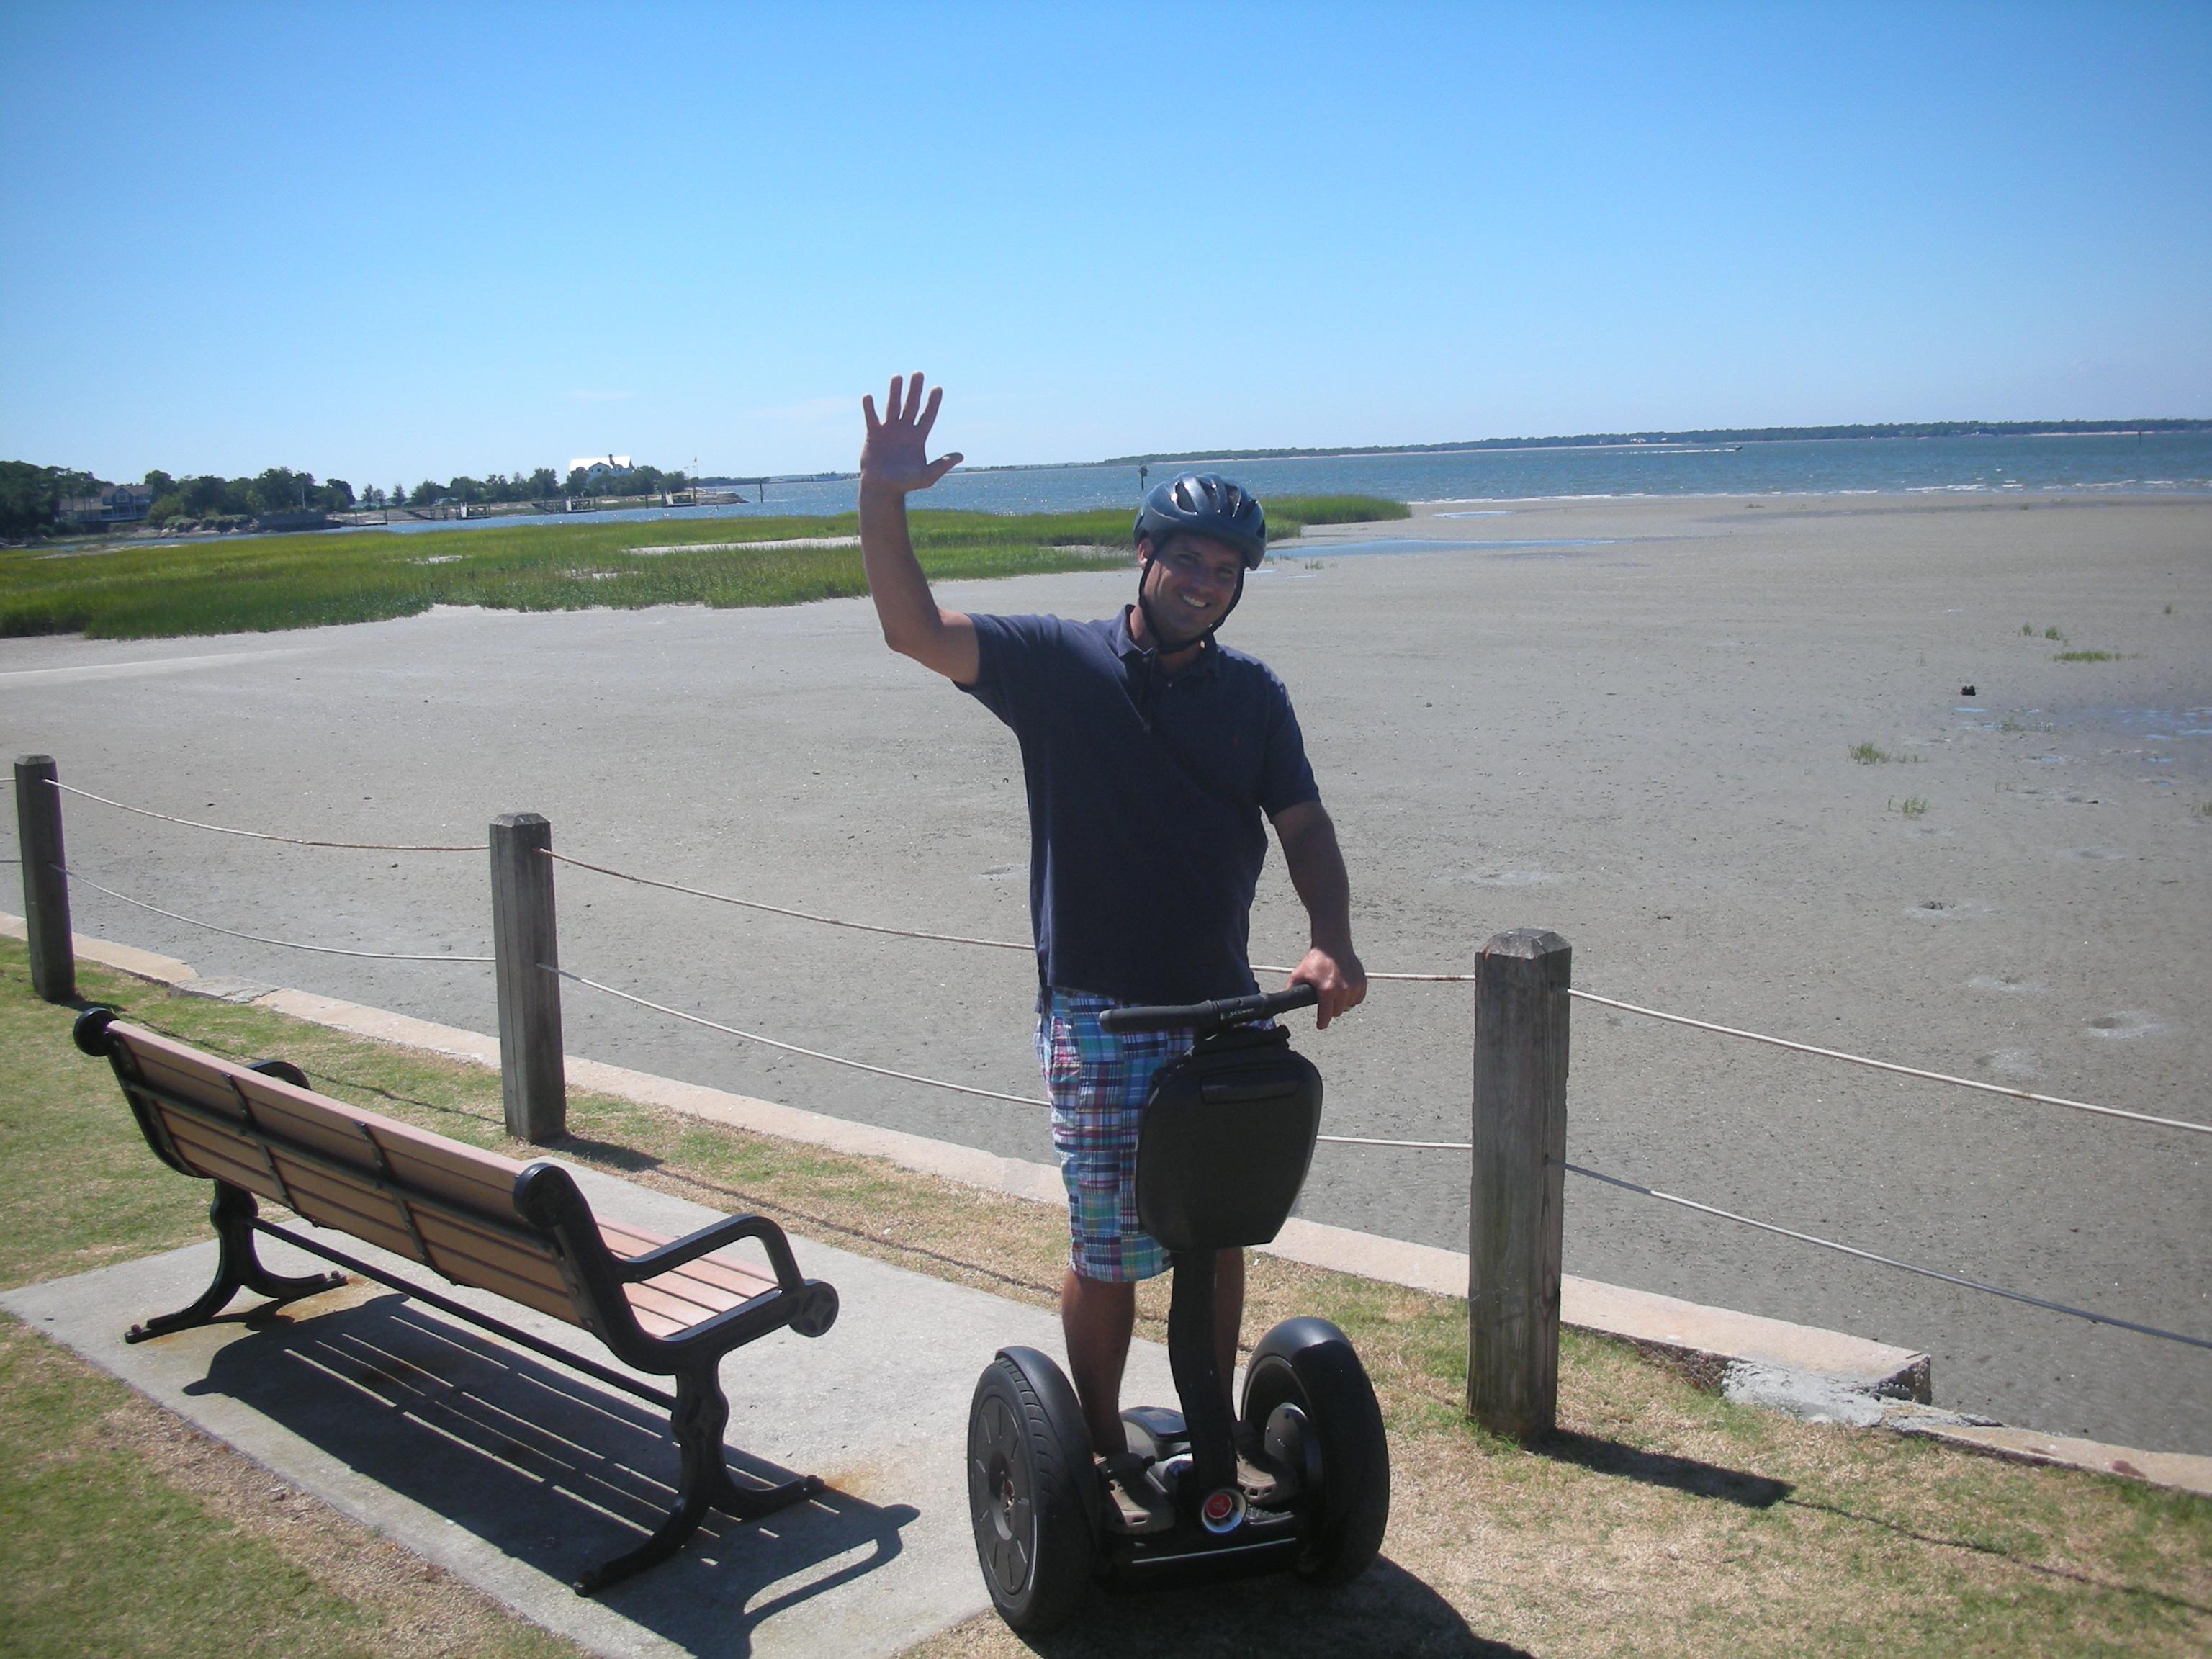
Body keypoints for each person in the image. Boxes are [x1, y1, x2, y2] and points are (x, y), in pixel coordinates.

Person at [855, 372, 1366, 1527]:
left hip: (1222, 1010)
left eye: (1226, 570)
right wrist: (882, 498)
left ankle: (1219, 1440)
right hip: (1100, 1013)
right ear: (1143, 553)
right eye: (1187, 558)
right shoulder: (1057, 663)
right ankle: (1089, 1450)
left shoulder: (1254, 697)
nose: (1204, 582)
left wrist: (1331, 940)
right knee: (1108, 1247)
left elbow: (1305, 823)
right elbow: (912, 630)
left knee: (1219, 1233)